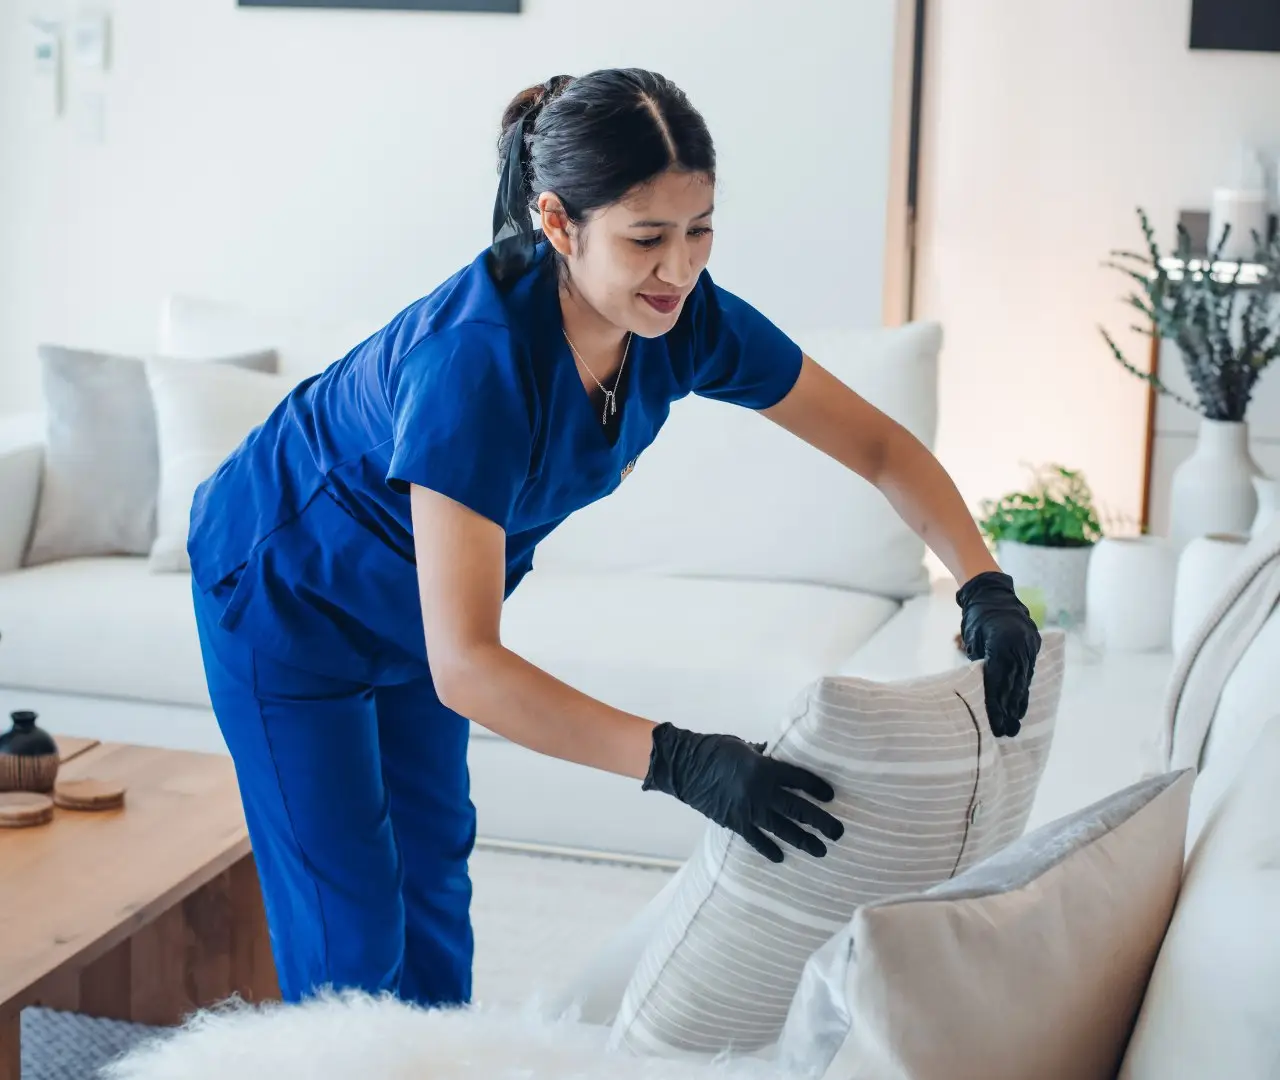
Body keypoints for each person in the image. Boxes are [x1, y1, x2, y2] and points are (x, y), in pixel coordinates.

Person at [187, 67, 1041, 1010]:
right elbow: (467, 668)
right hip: (283, 600)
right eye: (646, 239)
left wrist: (984, 585)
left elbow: (877, 445)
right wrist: (678, 761)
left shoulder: (683, 322)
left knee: (432, 877)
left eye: (699, 229)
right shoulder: (472, 366)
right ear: (557, 223)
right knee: (349, 924)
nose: (679, 268)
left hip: (416, 619)